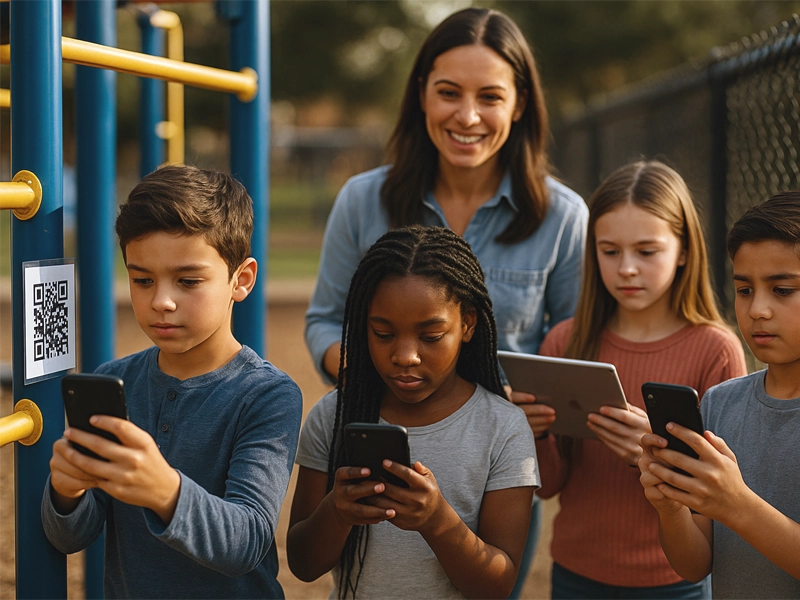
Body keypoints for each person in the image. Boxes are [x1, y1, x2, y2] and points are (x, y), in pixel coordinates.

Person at [304, 8, 588, 590]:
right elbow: (325, 319)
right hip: (376, 426)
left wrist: (541, 403)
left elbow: (574, 342)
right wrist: (370, 374)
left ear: (521, 102)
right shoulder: (363, 199)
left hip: (498, 455)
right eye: (448, 93)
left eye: (489, 96)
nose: (468, 115)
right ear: (421, 96)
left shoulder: (562, 217)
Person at [41, 165, 303, 598]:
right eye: (142, 280)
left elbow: (248, 541)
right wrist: (67, 492)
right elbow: (72, 538)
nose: (161, 300)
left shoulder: (267, 395)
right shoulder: (113, 381)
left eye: (188, 281)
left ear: (242, 280)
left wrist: (164, 490)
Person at [523, 161, 747, 598]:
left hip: (675, 581)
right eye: (610, 251)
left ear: (683, 250)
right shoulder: (566, 340)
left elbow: (725, 498)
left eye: (646, 252)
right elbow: (547, 485)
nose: (626, 268)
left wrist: (654, 454)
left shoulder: (716, 349)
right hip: (576, 573)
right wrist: (534, 434)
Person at [288, 226, 539, 598]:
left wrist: (438, 522)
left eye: (431, 336)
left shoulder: (504, 429)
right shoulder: (335, 416)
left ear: (467, 323)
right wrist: (337, 513)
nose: (405, 356)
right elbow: (302, 564)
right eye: (383, 334)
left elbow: (497, 585)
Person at [639, 191, 800, 598]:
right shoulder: (719, 403)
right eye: (744, 290)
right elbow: (696, 565)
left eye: (782, 290)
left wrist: (737, 505)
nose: (757, 309)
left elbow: (737, 510)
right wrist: (670, 507)